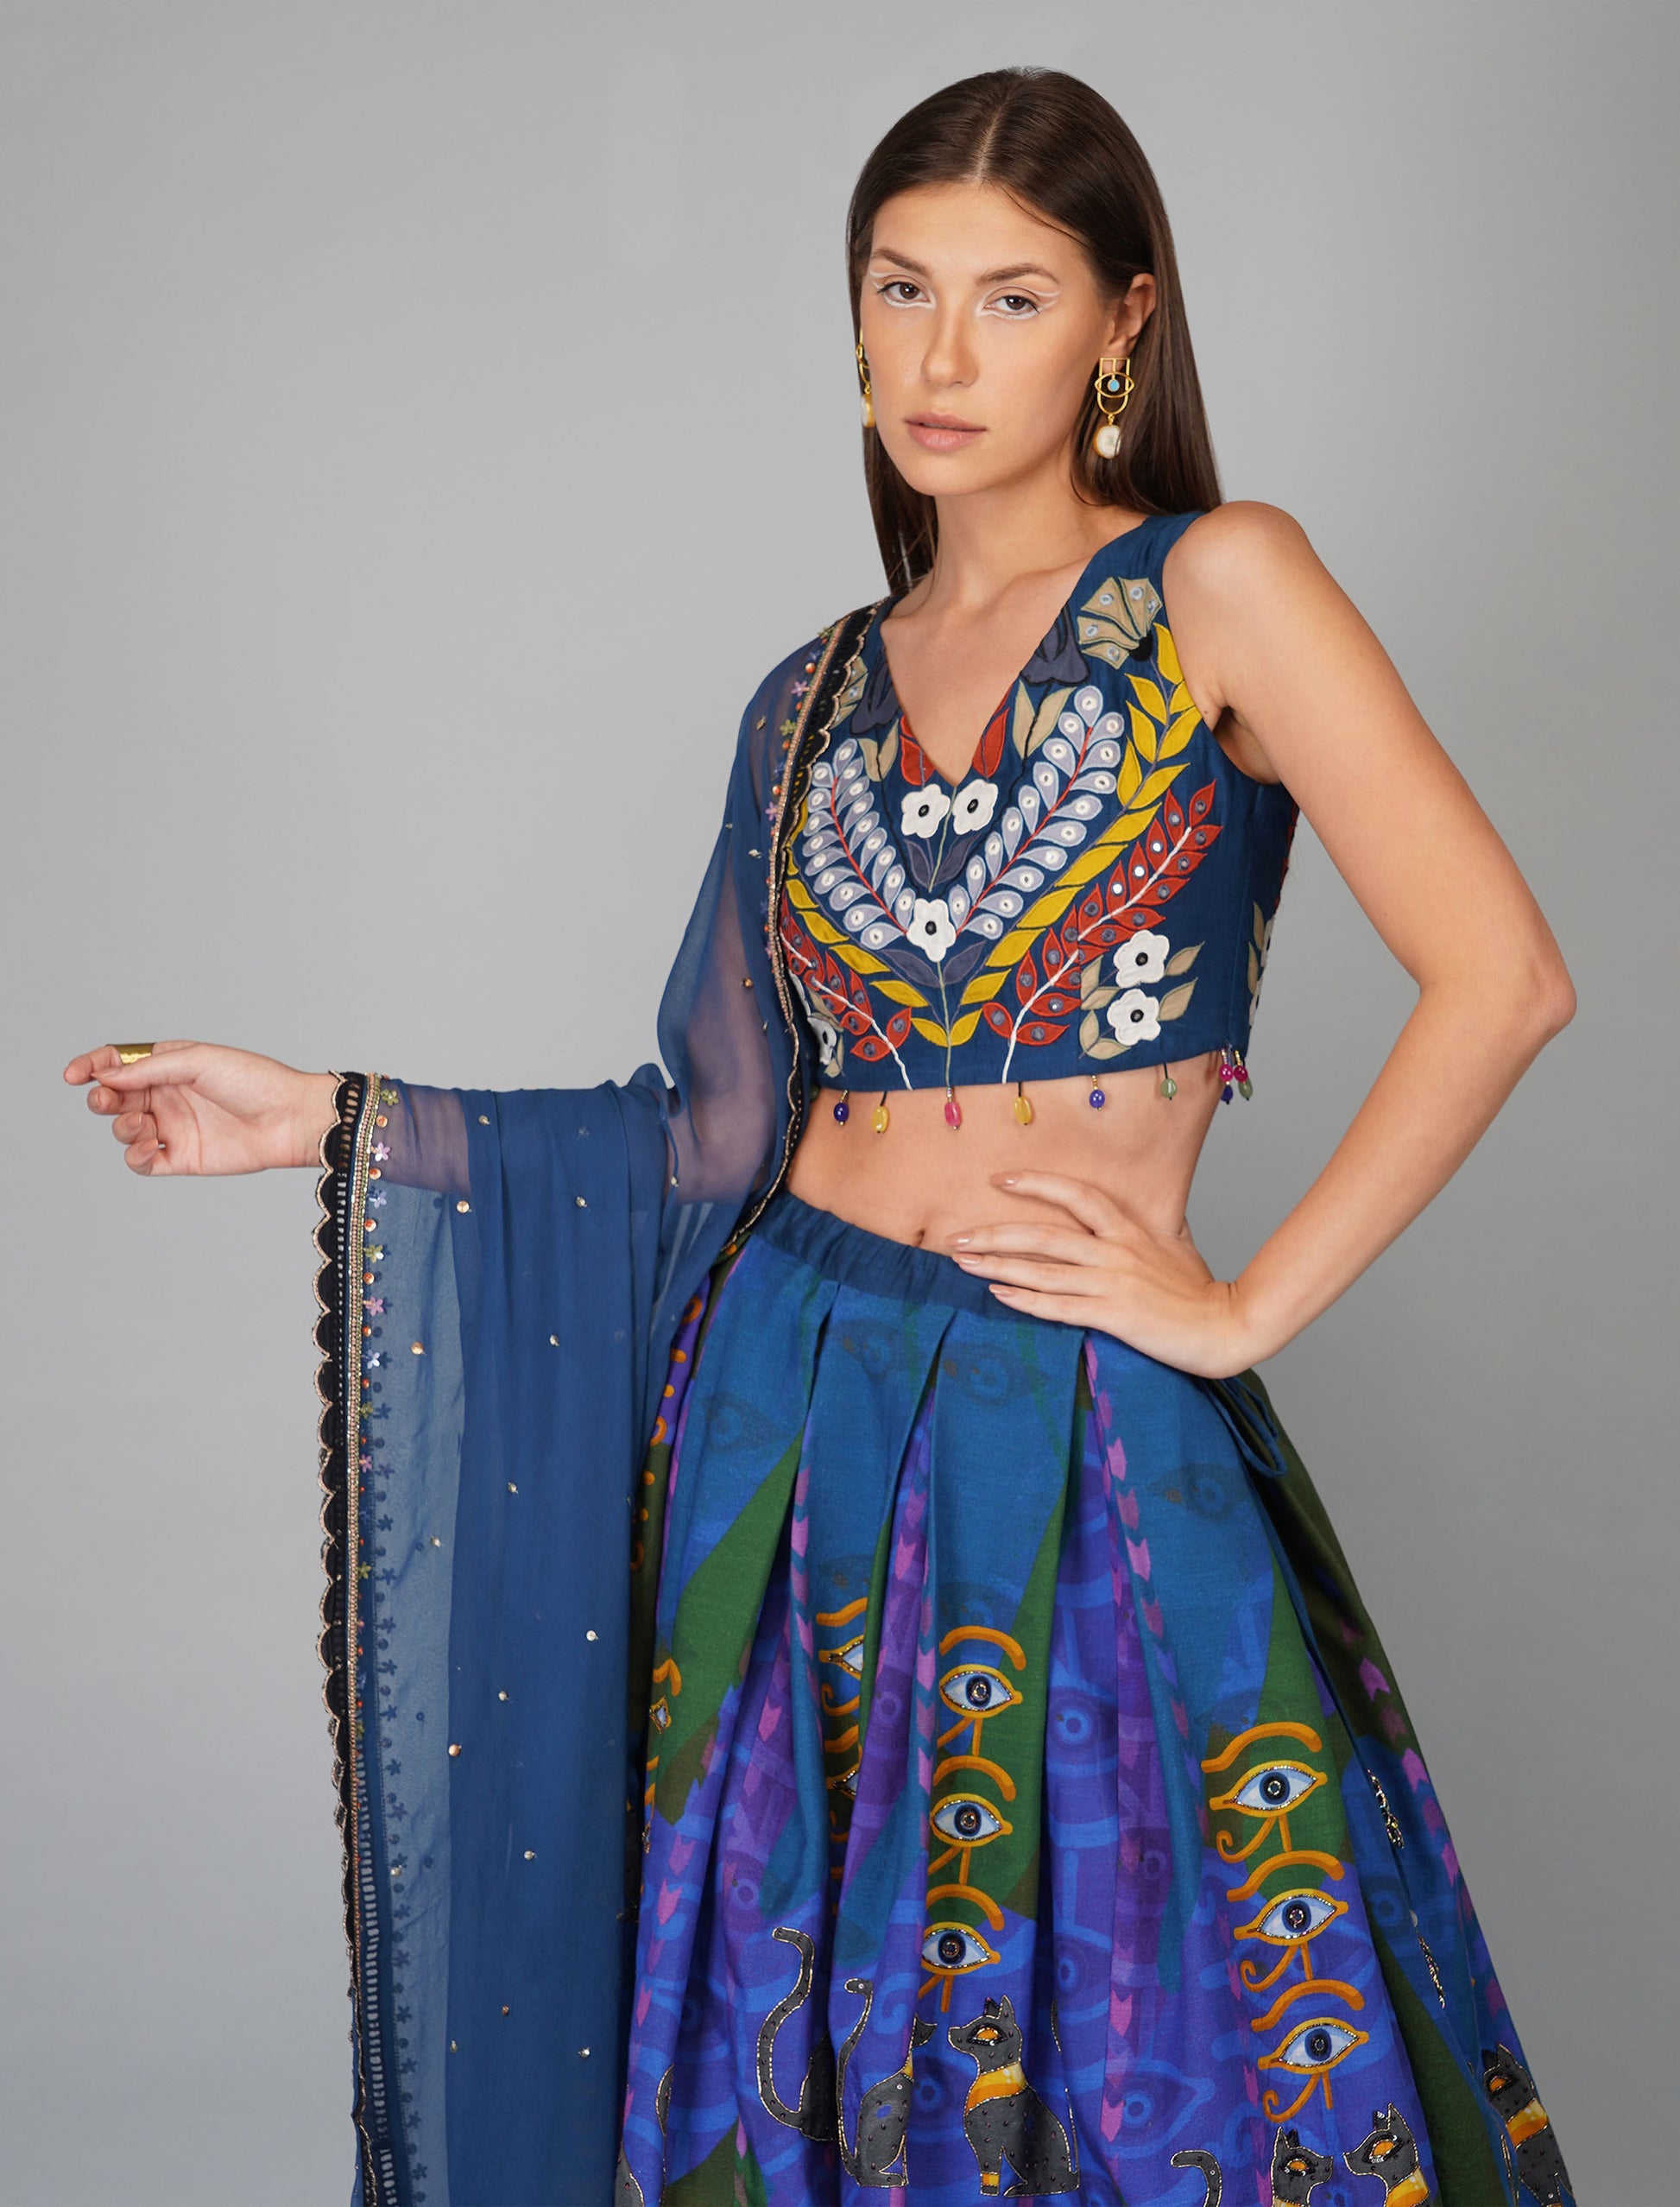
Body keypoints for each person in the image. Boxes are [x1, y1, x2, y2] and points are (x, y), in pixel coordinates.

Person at [65, 66, 1576, 2207]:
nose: (941, 356)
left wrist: (1241, 1311)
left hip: (1071, 1425)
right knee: (793, 2046)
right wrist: (321, 1118)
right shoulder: (807, 699)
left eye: (1010, 297)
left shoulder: (1220, 586)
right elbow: (709, 1136)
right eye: (899, 288)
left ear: (1123, 324)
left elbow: (1502, 974)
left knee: (1155, 2051)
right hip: (779, 1433)